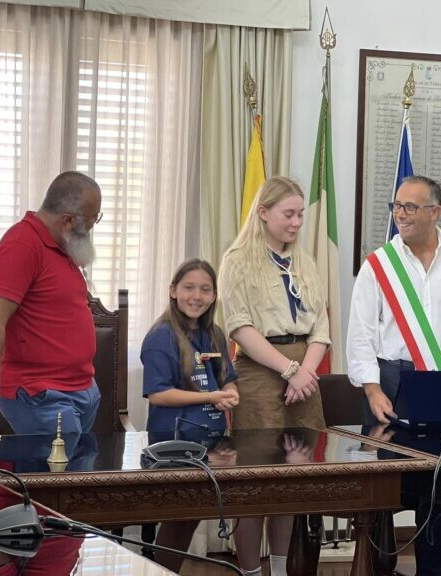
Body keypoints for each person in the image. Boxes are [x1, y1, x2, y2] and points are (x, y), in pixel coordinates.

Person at [346, 175, 441, 576]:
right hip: (391, 384)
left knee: (440, 487)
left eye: (410, 207)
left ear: (436, 212)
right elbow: (360, 335)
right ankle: (379, 569)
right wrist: (372, 390)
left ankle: (433, 570)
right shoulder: (379, 266)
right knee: (383, 485)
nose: (400, 214)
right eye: (396, 206)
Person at [219, 176, 330, 576]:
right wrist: (288, 370)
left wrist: (305, 373)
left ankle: (280, 570)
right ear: (263, 213)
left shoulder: (305, 261)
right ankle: (251, 571)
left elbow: (321, 327)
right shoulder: (237, 260)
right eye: (289, 214)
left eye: (301, 214)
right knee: (255, 482)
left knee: (292, 480)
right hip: (261, 372)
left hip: (304, 377)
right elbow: (239, 328)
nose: (297, 222)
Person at [0, 171, 103, 437]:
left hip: (81, 389)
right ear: (68, 220)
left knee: (78, 465)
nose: (91, 228)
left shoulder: (63, 245)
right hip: (42, 394)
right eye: (92, 220)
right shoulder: (21, 245)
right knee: (58, 466)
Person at [140, 258, 239, 572]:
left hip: (212, 442)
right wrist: (210, 396)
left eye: (205, 289)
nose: (197, 296)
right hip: (173, 443)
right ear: (173, 291)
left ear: (214, 295)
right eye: (189, 288)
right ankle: (161, 570)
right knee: (180, 517)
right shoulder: (161, 336)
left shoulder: (215, 333)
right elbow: (158, 394)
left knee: (191, 517)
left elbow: (227, 378)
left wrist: (230, 393)